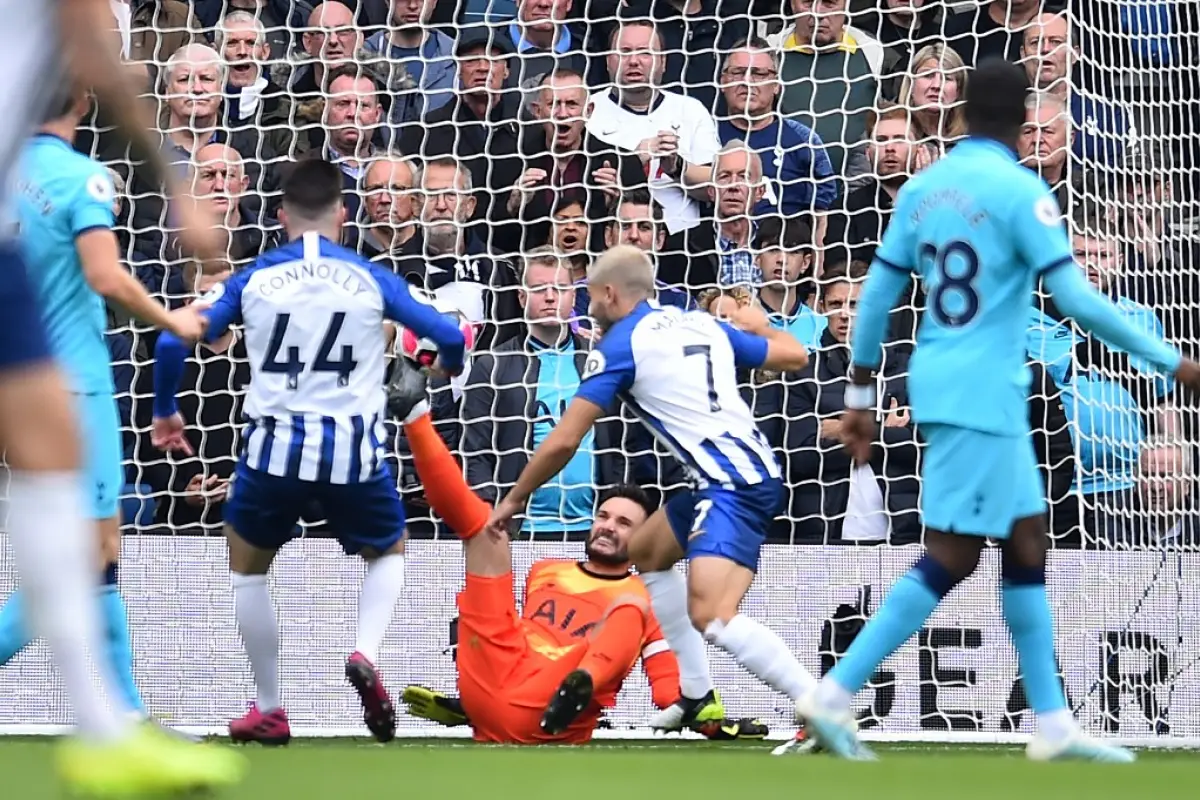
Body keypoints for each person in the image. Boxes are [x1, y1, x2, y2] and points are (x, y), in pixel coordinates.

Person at [797, 59, 1200, 763]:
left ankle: (1050, 721)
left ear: (957, 113)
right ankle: (834, 693)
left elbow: (872, 306)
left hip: (945, 384)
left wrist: (860, 397)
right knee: (952, 557)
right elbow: (1074, 302)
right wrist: (1173, 362)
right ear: (1020, 118)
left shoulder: (921, 190)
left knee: (1025, 545)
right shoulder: (1023, 191)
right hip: (987, 393)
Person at [0, 2, 241, 795]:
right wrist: (175, 314)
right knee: (96, 555)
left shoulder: (14, 173)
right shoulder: (83, 177)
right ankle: (124, 722)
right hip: (69, 380)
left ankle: (119, 720)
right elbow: (104, 277)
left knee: (83, 556)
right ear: (80, 96)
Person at [150, 160, 468, 746]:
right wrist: (441, 364)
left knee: (248, 569)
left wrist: (166, 410)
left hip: (273, 451)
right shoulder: (372, 277)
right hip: (353, 451)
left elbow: (174, 336)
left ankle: (270, 706)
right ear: (344, 214)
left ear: (281, 216)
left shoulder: (254, 278)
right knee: (389, 550)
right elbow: (450, 334)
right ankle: (365, 651)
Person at [486, 245, 814, 735]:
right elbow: (796, 354)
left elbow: (565, 439)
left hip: (732, 484)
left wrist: (515, 498)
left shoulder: (621, 347)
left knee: (712, 616)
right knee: (646, 552)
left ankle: (820, 705)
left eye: (589, 296)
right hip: (727, 477)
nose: (585, 306)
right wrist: (759, 326)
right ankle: (697, 695)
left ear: (610, 293)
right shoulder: (697, 323)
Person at [387, 364, 765, 742]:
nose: (607, 526)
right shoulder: (544, 570)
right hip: (496, 687)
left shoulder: (649, 601)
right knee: (489, 532)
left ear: (641, 540)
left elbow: (666, 684)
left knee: (633, 604)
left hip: (554, 711)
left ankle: (580, 682)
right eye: (603, 516)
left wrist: (710, 722)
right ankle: (416, 417)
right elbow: (512, 636)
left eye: (623, 523)